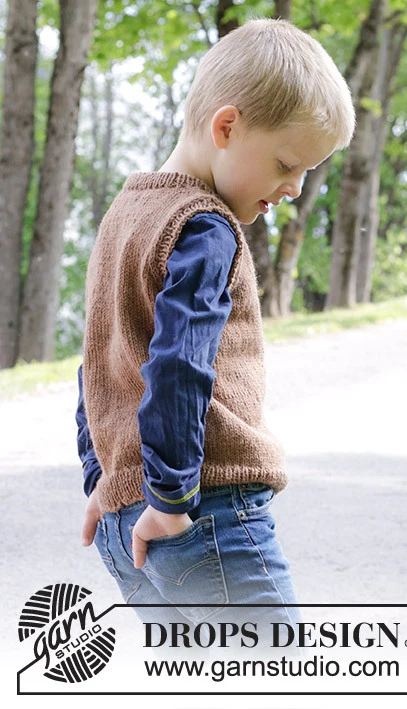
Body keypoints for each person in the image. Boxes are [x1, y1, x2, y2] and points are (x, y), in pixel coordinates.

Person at [75, 17, 355, 655]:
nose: (294, 188)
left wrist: (103, 479)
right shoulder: (204, 226)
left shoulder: (124, 215)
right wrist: (172, 497)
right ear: (226, 127)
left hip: (126, 524)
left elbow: (96, 362)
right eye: (287, 163)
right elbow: (180, 365)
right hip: (202, 511)